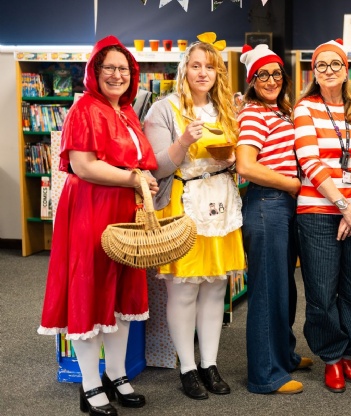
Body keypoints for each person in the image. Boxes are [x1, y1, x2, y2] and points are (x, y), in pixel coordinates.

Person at [38, 35, 158, 415]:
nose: (117, 75)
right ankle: (90, 384)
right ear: (95, 71)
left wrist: (142, 179)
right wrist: (134, 178)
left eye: (124, 69)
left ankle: (117, 375)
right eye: (109, 67)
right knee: (89, 291)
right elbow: (83, 166)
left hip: (122, 211)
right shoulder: (84, 109)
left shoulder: (127, 112)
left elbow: (133, 163)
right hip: (91, 209)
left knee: (121, 293)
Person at [143, 36, 245, 400]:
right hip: (183, 206)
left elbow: (239, 156)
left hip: (221, 205)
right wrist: (184, 140)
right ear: (184, 69)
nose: (203, 73)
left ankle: (209, 364)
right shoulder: (164, 109)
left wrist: (232, 160)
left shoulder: (227, 109)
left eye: (210, 67)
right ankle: (187, 367)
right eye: (196, 65)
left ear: (218, 73)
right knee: (184, 290)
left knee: (216, 288)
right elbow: (156, 166)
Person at [293, 38, 351, 393]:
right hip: (318, 211)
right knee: (321, 289)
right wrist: (344, 206)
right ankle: (331, 358)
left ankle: (348, 353)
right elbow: (310, 161)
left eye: (336, 64)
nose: (329, 70)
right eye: (321, 65)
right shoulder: (305, 109)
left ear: (347, 71)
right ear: (314, 73)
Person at [236, 44, 311, 395]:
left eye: (276, 73)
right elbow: (246, 166)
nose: (271, 80)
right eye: (262, 75)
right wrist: (292, 184)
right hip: (268, 204)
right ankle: (266, 375)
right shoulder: (254, 114)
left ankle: (284, 355)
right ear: (252, 80)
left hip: (282, 206)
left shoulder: (282, 111)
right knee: (268, 291)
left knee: (284, 288)